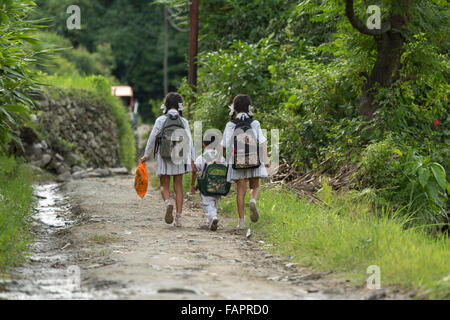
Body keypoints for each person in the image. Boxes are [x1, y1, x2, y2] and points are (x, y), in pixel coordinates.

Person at [140, 92, 196, 227]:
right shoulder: (183, 122)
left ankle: (168, 203)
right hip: (180, 156)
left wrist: (146, 155)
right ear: (179, 106)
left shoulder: (160, 120)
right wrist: (192, 159)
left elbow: (152, 138)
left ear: (166, 105)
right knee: (178, 186)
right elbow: (190, 141)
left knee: (164, 184)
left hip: (164, 155)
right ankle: (179, 218)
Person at [219, 94, 270, 229]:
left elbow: (224, 145)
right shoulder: (255, 123)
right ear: (249, 107)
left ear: (234, 108)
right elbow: (262, 142)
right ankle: (253, 200)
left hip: (237, 161)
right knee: (255, 186)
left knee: (240, 191)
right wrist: (266, 159)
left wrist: (219, 159)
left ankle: (241, 222)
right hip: (254, 159)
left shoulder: (230, 124)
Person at [192, 136, 226, 231]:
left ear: (204, 144)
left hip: (206, 185)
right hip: (219, 185)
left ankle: (213, 217)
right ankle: (209, 221)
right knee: (214, 201)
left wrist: (193, 184)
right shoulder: (221, 157)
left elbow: (195, 170)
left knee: (207, 203)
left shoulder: (202, 157)